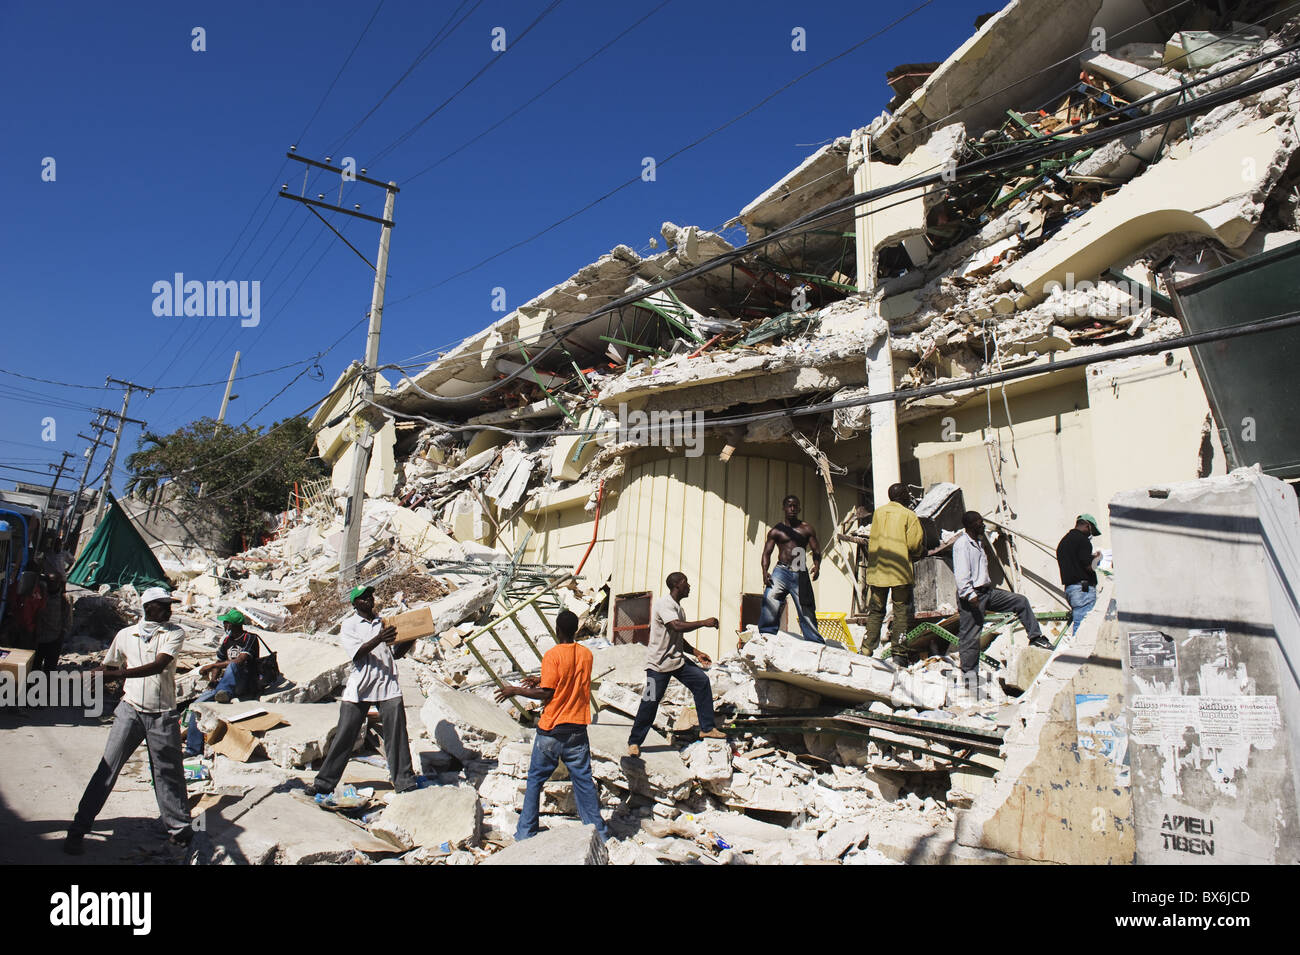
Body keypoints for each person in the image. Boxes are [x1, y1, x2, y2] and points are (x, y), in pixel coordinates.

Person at [65, 587, 192, 855]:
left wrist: (117, 675)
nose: (169, 609)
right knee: (107, 769)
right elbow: (110, 666)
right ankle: (78, 829)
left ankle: (179, 831)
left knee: (167, 774)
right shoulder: (126, 635)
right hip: (130, 710)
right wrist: (89, 676)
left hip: (162, 714)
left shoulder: (174, 633)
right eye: (163, 605)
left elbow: (159, 666)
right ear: (149, 607)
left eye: (169, 605)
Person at [495, 610, 608, 842]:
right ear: (575, 629)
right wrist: (540, 679)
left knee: (535, 779)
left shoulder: (552, 655)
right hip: (577, 727)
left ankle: (526, 832)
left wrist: (515, 690)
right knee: (584, 781)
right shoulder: (587, 655)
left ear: (557, 629)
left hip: (552, 728)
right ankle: (599, 833)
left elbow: (548, 692)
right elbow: (569, 679)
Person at [307, 585, 417, 798]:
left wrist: (411, 637)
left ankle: (404, 781)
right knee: (345, 735)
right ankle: (323, 783)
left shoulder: (384, 622)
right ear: (355, 604)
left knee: (397, 734)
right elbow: (357, 653)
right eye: (363, 598)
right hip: (361, 685)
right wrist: (379, 638)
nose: (368, 600)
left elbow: (395, 653)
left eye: (370, 596)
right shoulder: (349, 625)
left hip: (387, 683)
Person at [627, 572, 726, 758]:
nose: (689, 586)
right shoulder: (665, 605)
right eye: (686, 583)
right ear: (677, 585)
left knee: (701, 682)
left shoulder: (678, 609)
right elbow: (676, 626)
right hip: (657, 665)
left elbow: (677, 635)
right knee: (649, 702)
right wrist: (704, 622)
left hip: (676, 661)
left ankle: (707, 728)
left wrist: (696, 653)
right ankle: (634, 742)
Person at [953, 511, 1052, 678]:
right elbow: (962, 573)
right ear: (970, 525)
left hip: (987, 592)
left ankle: (1035, 637)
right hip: (972, 595)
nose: (982, 525)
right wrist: (970, 595)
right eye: (979, 522)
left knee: (1020, 602)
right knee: (971, 637)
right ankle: (969, 676)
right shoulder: (962, 544)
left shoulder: (978, 542)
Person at [184, 609, 262, 757]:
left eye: (225, 622)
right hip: (224, 684)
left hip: (245, 683)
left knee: (233, 665)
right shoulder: (227, 641)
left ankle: (224, 692)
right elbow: (219, 662)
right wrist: (213, 680)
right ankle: (192, 750)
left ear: (231, 625)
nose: (223, 625)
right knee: (197, 706)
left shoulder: (249, 638)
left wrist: (213, 667)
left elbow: (239, 660)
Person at [863, 483, 925, 659]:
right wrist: (921, 552)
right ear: (903, 495)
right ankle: (899, 654)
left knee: (876, 611)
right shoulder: (909, 515)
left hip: (878, 572)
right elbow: (914, 545)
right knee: (901, 613)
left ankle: (867, 649)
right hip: (900, 573)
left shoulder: (878, 513)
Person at [757, 495, 824, 643]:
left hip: (799, 570)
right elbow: (766, 553)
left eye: (795, 506)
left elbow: (816, 549)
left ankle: (814, 641)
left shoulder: (806, 529)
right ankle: (766, 635)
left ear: (799, 508)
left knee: (805, 607)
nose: (792, 509)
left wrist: (817, 565)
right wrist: (764, 572)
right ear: (784, 508)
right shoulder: (777, 530)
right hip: (781, 571)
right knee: (770, 599)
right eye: (789, 506)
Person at [1057, 513, 1102, 636]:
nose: (1091, 535)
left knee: (1080, 622)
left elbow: (1077, 562)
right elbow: (1089, 567)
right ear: (1087, 525)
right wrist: (1098, 558)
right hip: (1083, 590)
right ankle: (1079, 655)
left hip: (1071, 589)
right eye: (1091, 531)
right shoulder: (1083, 541)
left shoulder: (1064, 541)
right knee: (1084, 627)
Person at [32, 571, 71, 671]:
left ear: (59, 583)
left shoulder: (63, 600)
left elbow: (67, 620)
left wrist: (61, 635)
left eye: (54, 582)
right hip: (39, 639)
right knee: (35, 666)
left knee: (49, 668)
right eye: (49, 581)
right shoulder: (40, 596)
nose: (51, 584)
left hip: (54, 639)